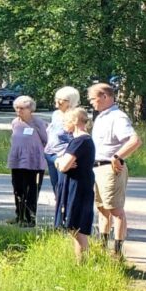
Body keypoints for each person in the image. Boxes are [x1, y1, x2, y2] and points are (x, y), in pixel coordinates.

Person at [89, 83, 142, 255]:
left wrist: (118, 156)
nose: (91, 102)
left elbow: (135, 140)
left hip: (110, 169)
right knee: (102, 209)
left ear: (105, 96)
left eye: (93, 98)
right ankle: (103, 247)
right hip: (97, 168)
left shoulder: (117, 117)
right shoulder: (101, 117)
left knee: (115, 210)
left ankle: (117, 252)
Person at [54, 108, 96, 259]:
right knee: (74, 227)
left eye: (66, 120)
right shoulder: (80, 140)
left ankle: (83, 262)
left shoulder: (80, 141)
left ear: (75, 121)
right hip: (78, 184)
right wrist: (60, 161)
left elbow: (64, 166)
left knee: (76, 226)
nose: (64, 124)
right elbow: (64, 163)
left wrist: (59, 162)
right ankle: (81, 262)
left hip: (78, 186)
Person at [7, 95, 48, 227]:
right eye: (17, 108)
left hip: (33, 161)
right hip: (17, 160)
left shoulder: (38, 122)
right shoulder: (15, 122)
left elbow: (46, 140)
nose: (19, 111)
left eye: (22, 108)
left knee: (31, 190)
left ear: (30, 109)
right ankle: (19, 216)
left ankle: (30, 218)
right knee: (18, 189)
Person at [45, 87, 80, 209]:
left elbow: (78, 138)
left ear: (71, 101)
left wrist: (71, 157)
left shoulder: (75, 115)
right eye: (57, 98)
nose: (57, 102)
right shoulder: (56, 114)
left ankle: (66, 216)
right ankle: (59, 214)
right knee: (56, 188)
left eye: (62, 100)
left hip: (64, 156)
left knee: (64, 189)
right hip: (50, 154)